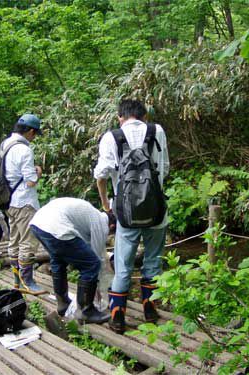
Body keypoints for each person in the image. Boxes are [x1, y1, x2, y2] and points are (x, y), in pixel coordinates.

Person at [94, 99, 169, 334]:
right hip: (156, 211)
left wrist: (107, 203)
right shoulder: (157, 131)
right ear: (144, 116)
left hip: (125, 213)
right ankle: (150, 308)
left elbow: (101, 174)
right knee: (153, 261)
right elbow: (164, 167)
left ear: (120, 117)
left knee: (123, 265)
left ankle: (117, 316)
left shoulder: (111, 137)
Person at [30, 198, 116, 324]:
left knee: (58, 260)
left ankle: (62, 303)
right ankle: (86, 311)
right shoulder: (101, 224)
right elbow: (98, 259)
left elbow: (81, 247)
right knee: (92, 265)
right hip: (55, 227)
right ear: (112, 226)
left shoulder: (92, 215)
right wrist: (101, 293)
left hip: (38, 224)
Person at [2, 113, 44, 295]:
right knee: (28, 242)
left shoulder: (5, 144)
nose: (34, 138)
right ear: (31, 131)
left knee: (15, 240)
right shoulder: (24, 150)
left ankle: (17, 281)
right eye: (35, 134)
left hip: (8, 200)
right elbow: (30, 181)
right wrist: (38, 172)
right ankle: (28, 282)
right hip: (24, 202)